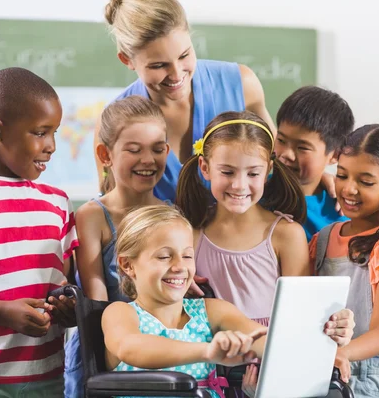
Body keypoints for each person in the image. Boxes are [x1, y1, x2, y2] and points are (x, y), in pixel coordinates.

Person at [102, 205, 356, 397]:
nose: (180, 267)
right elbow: (131, 348)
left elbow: (265, 340)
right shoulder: (121, 314)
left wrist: (324, 341)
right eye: (164, 257)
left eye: (187, 256)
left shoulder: (211, 311)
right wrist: (206, 352)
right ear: (128, 265)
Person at [0, 67, 77, 396]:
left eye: (54, 132)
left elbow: (62, 283)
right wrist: (2, 312)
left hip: (49, 379)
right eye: (40, 132)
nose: (51, 146)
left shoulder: (57, 204)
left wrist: (68, 309)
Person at [94, 0, 274, 202]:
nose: (176, 74)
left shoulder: (241, 85)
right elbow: (111, 206)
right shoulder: (113, 122)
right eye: (158, 65)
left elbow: (280, 165)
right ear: (127, 59)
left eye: (184, 55)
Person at [64, 95, 169, 397]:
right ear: (105, 155)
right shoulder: (92, 217)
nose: (148, 160)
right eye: (134, 150)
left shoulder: (173, 215)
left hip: (162, 353)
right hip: (103, 355)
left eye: (157, 149)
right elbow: (97, 304)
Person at [309, 124, 379, 397]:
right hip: (326, 373)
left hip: (374, 382)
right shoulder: (323, 239)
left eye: (366, 181)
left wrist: (341, 355)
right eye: (342, 175)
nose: (349, 189)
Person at [176, 110, 308, 326]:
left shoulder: (287, 235)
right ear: (205, 168)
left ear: (268, 172)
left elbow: (299, 314)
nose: (239, 185)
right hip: (208, 353)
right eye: (227, 172)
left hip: (267, 353)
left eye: (253, 174)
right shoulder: (189, 234)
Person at [274, 86, 354, 242]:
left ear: (335, 155)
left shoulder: (342, 217)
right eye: (281, 140)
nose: (286, 154)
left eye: (302, 147)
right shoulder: (253, 193)